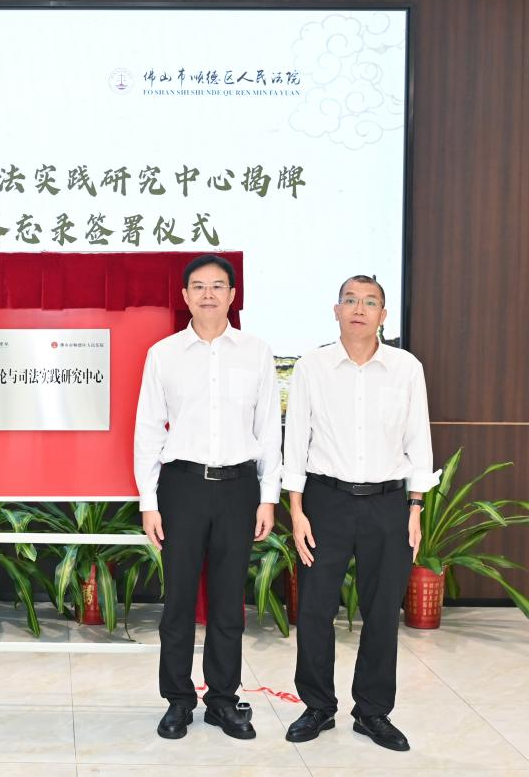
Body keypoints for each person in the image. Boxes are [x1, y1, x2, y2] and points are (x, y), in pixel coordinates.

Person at [283, 275, 437, 752]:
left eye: (370, 302)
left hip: (388, 506)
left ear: (383, 316)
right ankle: (317, 706)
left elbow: (418, 440)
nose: (359, 308)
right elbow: (295, 440)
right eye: (350, 300)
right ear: (336, 310)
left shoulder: (406, 368)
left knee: (382, 612)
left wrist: (415, 508)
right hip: (325, 502)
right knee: (314, 609)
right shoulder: (312, 366)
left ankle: (372, 712)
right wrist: (297, 510)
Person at [134, 253, 282, 741]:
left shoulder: (256, 352)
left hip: (239, 489)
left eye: (218, 286)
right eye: (198, 286)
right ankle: (178, 700)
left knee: (227, 603)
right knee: (177, 601)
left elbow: (268, 429)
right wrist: (149, 501)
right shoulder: (164, 354)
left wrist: (268, 496)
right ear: (185, 296)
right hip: (182, 488)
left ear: (232, 295)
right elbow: (148, 430)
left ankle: (221, 700)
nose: (208, 294)